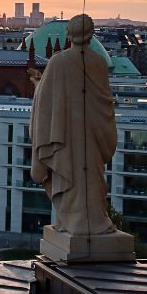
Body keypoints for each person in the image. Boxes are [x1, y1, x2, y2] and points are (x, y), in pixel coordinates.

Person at [30, 14, 118, 236]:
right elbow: (105, 104)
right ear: (92, 35)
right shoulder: (99, 62)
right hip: (92, 138)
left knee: (69, 176)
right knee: (91, 180)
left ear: (69, 35)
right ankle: (95, 220)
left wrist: (38, 85)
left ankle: (72, 221)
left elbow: (46, 101)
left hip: (66, 138)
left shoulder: (58, 62)